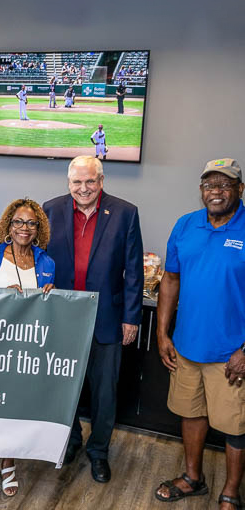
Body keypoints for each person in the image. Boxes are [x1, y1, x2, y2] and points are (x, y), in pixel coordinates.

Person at [42, 155, 143, 483]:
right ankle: (70, 441)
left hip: (107, 318)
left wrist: (131, 317)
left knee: (104, 393)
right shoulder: (51, 210)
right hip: (62, 316)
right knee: (62, 387)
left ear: (101, 181)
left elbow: (133, 271)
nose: (83, 188)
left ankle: (99, 451)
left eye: (90, 181)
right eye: (77, 182)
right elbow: (37, 258)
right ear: (68, 183)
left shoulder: (125, 213)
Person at [155, 158, 245, 510]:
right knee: (191, 414)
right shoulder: (185, 225)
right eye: (210, 185)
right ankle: (194, 478)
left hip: (231, 354)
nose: (216, 192)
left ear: (239, 189)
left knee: (235, 426)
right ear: (201, 190)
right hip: (188, 347)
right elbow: (171, 280)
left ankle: (232, 492)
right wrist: (163, 334)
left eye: (225, 185)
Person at [0, 198, 55, 497]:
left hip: (23, 351)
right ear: (8, 225)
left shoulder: (47, 263)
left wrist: (51, 295)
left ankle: (8, 464)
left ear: (38, 228)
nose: (24, 228)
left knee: (14, 409)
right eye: (18, 222)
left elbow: (46, 311)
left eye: (31, 223)